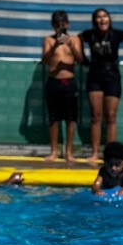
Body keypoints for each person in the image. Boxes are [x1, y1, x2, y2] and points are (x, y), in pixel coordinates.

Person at [79, 8, 123, 162]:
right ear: (94, 21)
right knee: (96, 115)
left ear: (109, 19)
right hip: (95, 75)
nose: (102, 20)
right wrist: (82, 58)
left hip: (112, 75)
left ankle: (110, 154)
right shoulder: (89, 35)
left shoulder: (116, 34)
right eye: (99, 17)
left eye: (105, 17)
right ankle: (94, 152)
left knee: (111, 116)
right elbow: (76, 40)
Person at [42, 10, 84, 162]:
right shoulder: (48, 40)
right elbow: (45, 60)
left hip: (69, 81)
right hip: (54, 81)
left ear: (68, 24)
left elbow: (80, 59)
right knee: (54, 118)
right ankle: (54, 151)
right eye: (57, 25)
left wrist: (70, 45)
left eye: (63, 24)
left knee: (70, 118)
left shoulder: (75, 39)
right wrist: (55, 46)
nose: (60, 28)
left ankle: (69, 151)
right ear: (53, 26)